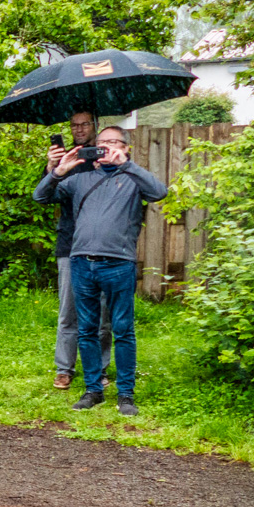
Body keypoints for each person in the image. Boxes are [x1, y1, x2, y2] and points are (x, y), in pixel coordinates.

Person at [34, 127, 166, 416]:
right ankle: (93, 390)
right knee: (87, 330)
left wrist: (126, 165)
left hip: (119, 264)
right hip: (82, 262)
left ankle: (126, 395)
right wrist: (58, 170)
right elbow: (41, 197)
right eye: (102, 142)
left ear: (125, 147)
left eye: (113, 143)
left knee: (123, 330)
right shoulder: (80, 179)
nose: (105, 147)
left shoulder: (132, 179)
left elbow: (160, 192)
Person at [36, 110, 111, 390]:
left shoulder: (109, 156)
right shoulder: (67, 159)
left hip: (104, 244)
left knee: (102, 312)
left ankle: (100, 368)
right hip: (70, 244)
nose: (78, 129)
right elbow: (45, 195)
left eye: (84, 124)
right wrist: (51, 167)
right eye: (73, 125)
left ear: (95, 125)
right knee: (69, 311)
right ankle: (64, 368)